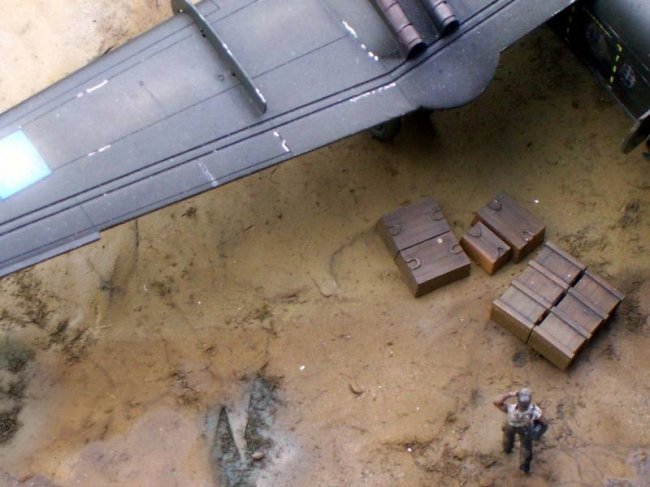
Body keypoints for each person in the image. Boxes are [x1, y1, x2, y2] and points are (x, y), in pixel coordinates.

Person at [493, 388, 548, 474]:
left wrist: (510, 394)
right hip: (525, 429)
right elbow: (544, 423)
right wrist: (538, 434)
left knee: (507, 438)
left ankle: (507, 450)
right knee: (526, 448)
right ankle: (524, 468)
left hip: (510, 425)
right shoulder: (534, 411)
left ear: (518, 400)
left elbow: (496, 401)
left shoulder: (511, 409)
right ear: (529, 402)